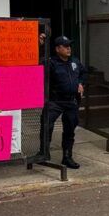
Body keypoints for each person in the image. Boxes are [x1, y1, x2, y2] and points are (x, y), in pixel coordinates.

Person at [35, 36, 87, 169]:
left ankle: (67, 156)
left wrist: (81, 83)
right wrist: (39, 46)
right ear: (58, 49)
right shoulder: (51, 62)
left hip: (72, 101)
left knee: (70, 129)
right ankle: (44, 152)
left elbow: (83, 73)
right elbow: (37, 64)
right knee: (47, 124)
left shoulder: (75, 61)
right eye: (65, 46)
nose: (69, 48)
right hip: (55, 101)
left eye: (69, 45)